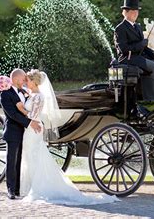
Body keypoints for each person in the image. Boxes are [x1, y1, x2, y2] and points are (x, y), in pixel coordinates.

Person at [19, 69, 118, 205]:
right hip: (32, 128)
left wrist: (19, 110)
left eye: (28, 80)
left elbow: (32, 115)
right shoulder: (34, 94)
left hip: (33, 128)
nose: (26, 82)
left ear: (34, 82)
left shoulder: (37, 97)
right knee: (31, 156)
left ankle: (38, 186)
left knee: (33, 155)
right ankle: (30, 185)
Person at [113, 0, 154, 103]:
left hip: (140, 57)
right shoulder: (120, 28)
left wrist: (151, 53)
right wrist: (140, 44)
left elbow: (143, 46)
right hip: (128, 58)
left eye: (137, 11)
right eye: (133, 11)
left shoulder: (137, 27)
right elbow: (123, 49)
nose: (136, 13)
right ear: (125, 12)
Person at [0, 69, 42, 200]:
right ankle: (11, 190)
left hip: (27, 134)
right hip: (13, 132)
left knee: (21, 161)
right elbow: (13, 114)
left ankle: (19, 189)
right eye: (23, 78)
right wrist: (30, 123)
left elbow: (32, 108)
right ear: (17, 79)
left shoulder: (24, 92)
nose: (25, 81)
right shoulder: (5, 95)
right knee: (12, 161)